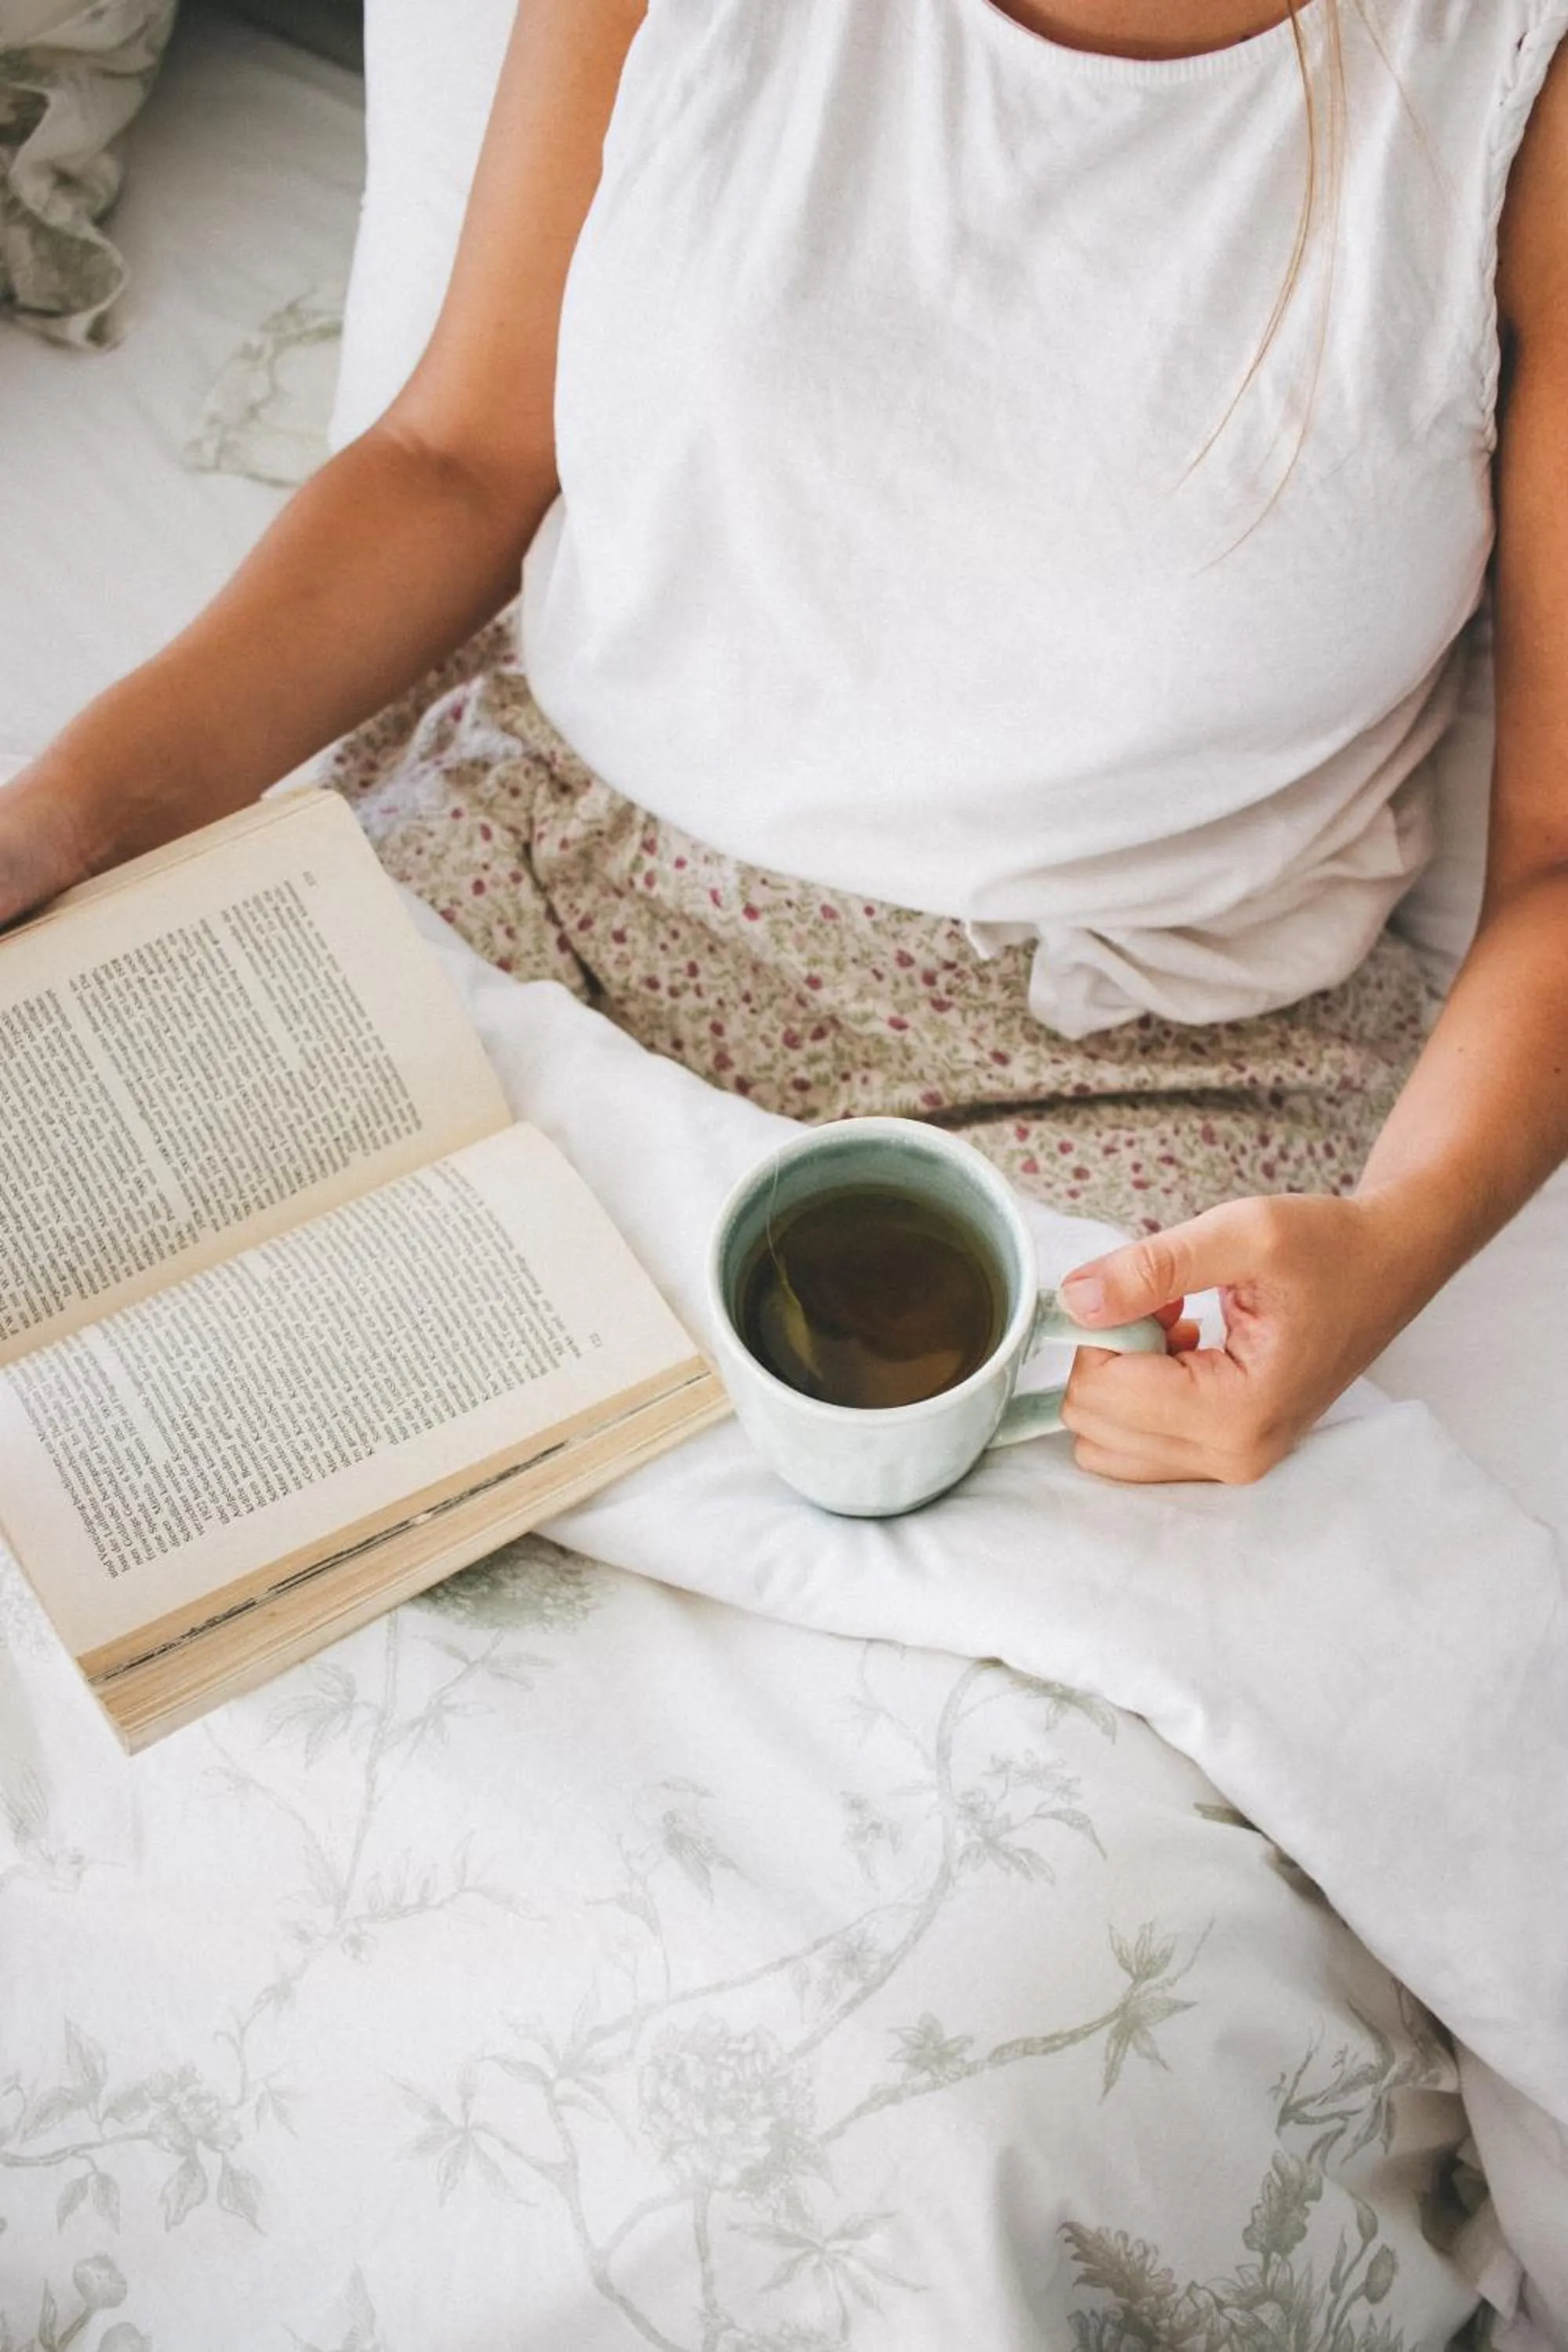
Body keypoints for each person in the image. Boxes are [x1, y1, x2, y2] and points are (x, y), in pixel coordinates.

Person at [4, 0, 1566, 1486]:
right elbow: (453, 458)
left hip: (1120, 1075)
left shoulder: (1509, 81)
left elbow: (1556, 854)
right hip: (544, 878)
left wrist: (1398, 1240)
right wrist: (64, 819)